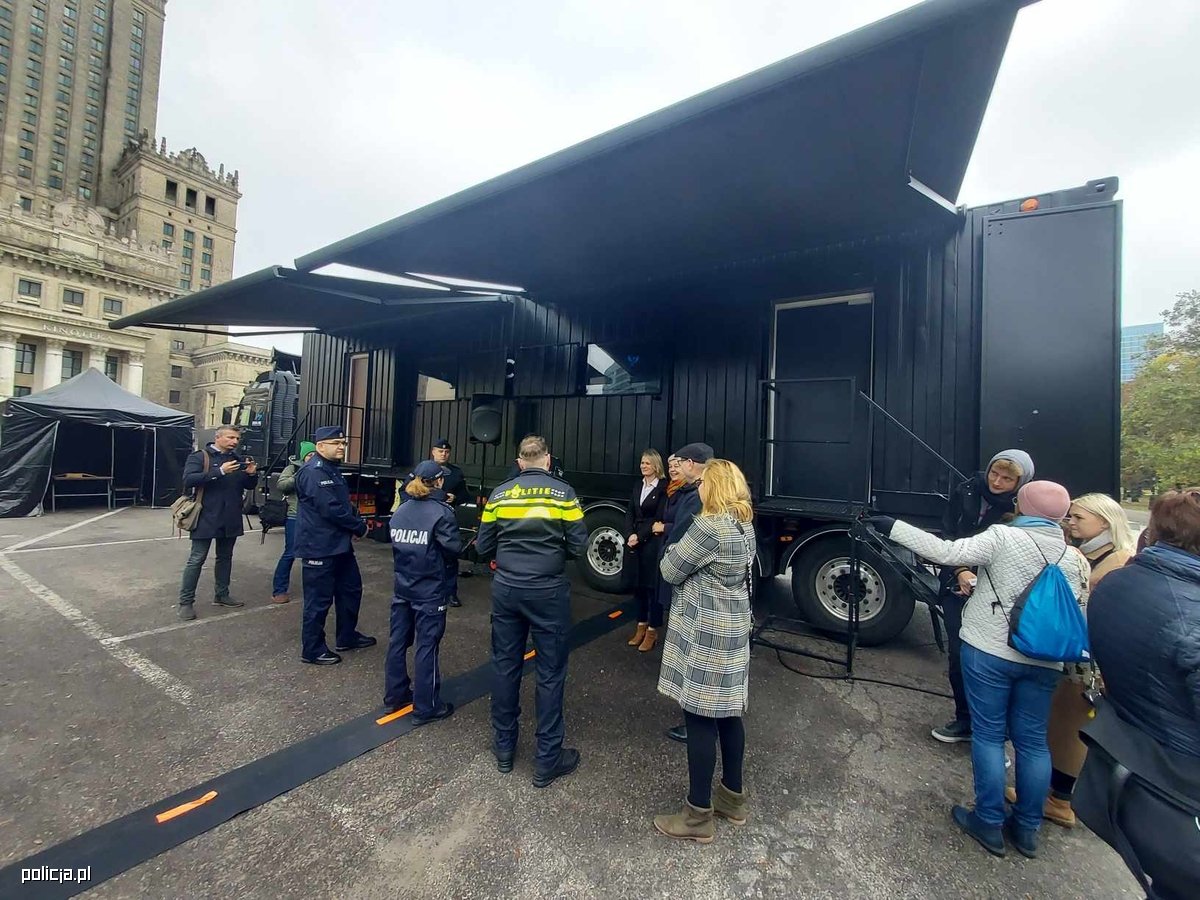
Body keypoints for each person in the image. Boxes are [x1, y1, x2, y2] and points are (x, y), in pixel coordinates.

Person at [867, 480, 1088, 859]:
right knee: (1033, 742)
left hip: (989, 651)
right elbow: (1077, 610)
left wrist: (892, 526)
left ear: (1024, 505)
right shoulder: (1075, 558)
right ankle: (1027, 828)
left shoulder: (1004, 537)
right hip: (1045, 661)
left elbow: (946, 552)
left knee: (988, 735)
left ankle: (987, 821)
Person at [1074, 488, 1200, 899]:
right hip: (1179, 786)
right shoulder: (1187, 610)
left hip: (1131, 765)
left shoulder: (1117, 582)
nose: (1071, 524)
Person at [475, 434, 588, 788]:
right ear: (548, 459)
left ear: (520, 461)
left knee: (505, 665)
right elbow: (580, 545)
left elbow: (482, 545)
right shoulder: (563, 493)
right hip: (547, 590)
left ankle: (505, 748)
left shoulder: (500, 493)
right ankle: (546, 760)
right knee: (550, 672)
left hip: (507, 589)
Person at [654, 459, 756, 843]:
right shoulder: (743, 525)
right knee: (730, 715)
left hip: (704, 634)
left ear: (713, 488)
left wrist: (674, 549)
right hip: (732, 629)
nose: (697, 487)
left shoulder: (707, 528)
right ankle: (733, 798)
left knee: (698, 718)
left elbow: (670, 569)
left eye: (702, 483)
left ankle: (698, 816)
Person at [1018, 493, 1135, 827]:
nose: (1070, 522)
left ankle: (1059, 800)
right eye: (1069, 517)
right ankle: (1055, 792)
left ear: (1105, 521)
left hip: (1089, 660)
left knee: (1071, 729)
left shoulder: (1120, 559)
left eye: (1079, 518)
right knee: (1060, 724)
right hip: (1075, 651)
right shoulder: (1089, 552)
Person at [932, 450, 1034, 744]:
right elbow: (948, 533)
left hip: (996, 588)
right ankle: (964, 719)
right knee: (959, 653)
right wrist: (960, 570)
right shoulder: (966, 489)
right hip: (956, 578)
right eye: (994, 474)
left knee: (992, 658)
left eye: (1007, 479)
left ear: (1020, 482)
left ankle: (994, 726)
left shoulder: (1022, 510)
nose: (997, 482)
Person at [383, 460, 462, 724]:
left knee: (397, 642)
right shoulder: (442, 512)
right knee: (426, 647)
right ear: (439, 482)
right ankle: (426, 707)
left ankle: (395, 696)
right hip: (430, 589)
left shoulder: (401, 510)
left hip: (402, 586)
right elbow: (452, 549)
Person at [294, 426, 376, 666]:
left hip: (339, 546)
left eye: (343, 443)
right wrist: (358, 527)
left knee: (351, 590)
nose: (341, 447)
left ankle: (347, 636)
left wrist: (354, 522)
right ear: (320, 446)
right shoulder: (313, 472)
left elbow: (343, 504)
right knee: (318, 601)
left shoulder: (332, 469)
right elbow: (330, 508)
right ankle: (312, 649)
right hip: (319, 547)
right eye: (335, 443)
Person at [657, 442, 713, 744]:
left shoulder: (696, 498)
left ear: (692, 464)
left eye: (680, 462)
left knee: (695, 661)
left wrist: (667, 558)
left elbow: (681, 547)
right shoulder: (721, 500)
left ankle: (698, 727)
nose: (676, 467)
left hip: (697, 598)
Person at [176, 425, 258, 621]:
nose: (235, 442)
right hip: (205, 515)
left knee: (225, 558)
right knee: (197, 559)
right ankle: (185, 602)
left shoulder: (237, 459)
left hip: (230, 517)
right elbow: (189, 479)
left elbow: (248, 486)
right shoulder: (200, 457)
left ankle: (221, 594)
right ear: (218, 438)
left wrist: (252, 474)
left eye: (237, 438)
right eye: (230, 437)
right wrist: (219, 471)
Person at [394, 438, 469, 606]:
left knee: (448, 558)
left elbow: (465, 494)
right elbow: (405, 491)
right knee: (422, 554)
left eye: (446, 451)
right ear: (433, 452)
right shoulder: (421, 470)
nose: (443, 454)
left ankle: (450, 593)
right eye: (440, 451)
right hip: (421, 517)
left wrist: (454, 498)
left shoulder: (455, 472)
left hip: (444, 518)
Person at [625, 449, 668, 652]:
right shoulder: (637, 486)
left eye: (647, 463)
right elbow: (630, 512)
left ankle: (652, 630)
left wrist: (639, 537)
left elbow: (657, 518)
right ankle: (640, 625)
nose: (643, 466)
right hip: (635, 542)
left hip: (651, 543)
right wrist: (628, 534)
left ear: (656, 466)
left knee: (652, 588)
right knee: (638, 587)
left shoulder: (662, 488)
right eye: (642, 463)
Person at [271, 441, 316, 605]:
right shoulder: (293, 468)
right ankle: (279, 590)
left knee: (313, 554)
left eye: (314, 454)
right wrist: (300, 474)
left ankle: (314, 588)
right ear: (303, 457)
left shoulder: (319, 468)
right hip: (295, 516)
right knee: (290, 552)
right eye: (309, 455)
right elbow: (281, 485)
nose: (312, 457)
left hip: (315, 518)